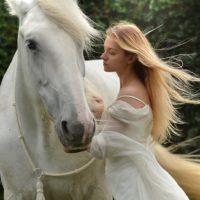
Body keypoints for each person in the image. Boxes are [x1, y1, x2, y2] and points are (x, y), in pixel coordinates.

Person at [88, 21, 200, 200]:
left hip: (133, 185)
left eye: (112, 52)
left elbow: (100, 148)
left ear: (130, 58)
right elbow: (125, 135)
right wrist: (104, 115)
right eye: (104, 49)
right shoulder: (137, 88)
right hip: (136, 178)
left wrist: (89, 121)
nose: (103, 56)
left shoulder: (128, 96)